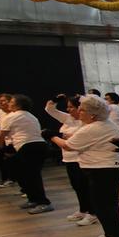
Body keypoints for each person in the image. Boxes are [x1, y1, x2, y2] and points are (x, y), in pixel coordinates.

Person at [49, 95, 119, 237]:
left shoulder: (92, 128)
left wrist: (51, 136)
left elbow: (68, 146)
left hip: (104, 170)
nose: (79, 112)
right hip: (108, 168)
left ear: (92, 114)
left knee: (105, 206)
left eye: (82, 109)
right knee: (103, 204)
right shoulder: (106, 124)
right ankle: (111, 233)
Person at [0, 94, 53, 214]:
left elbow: (2, 135)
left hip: (29, 146)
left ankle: (44, 203)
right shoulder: (30, 116)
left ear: (17, 105)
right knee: (24, 174)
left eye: (11, 101)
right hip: (37, 146)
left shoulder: (12, 116)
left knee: (32, 175)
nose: (8, 103)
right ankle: (33, 199)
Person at [45, 95, 94, 223]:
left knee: (85, 187)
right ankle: (83, 209)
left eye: (71, 107)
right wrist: (55, 99)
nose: (68, 110)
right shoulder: (68, 119)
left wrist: (61, 136)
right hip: (68, 158)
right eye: (67, 107)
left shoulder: (87, 121)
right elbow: (50, 109)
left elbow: (79, 138)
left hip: (81, 158)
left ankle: (93, 213)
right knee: (77, 186)